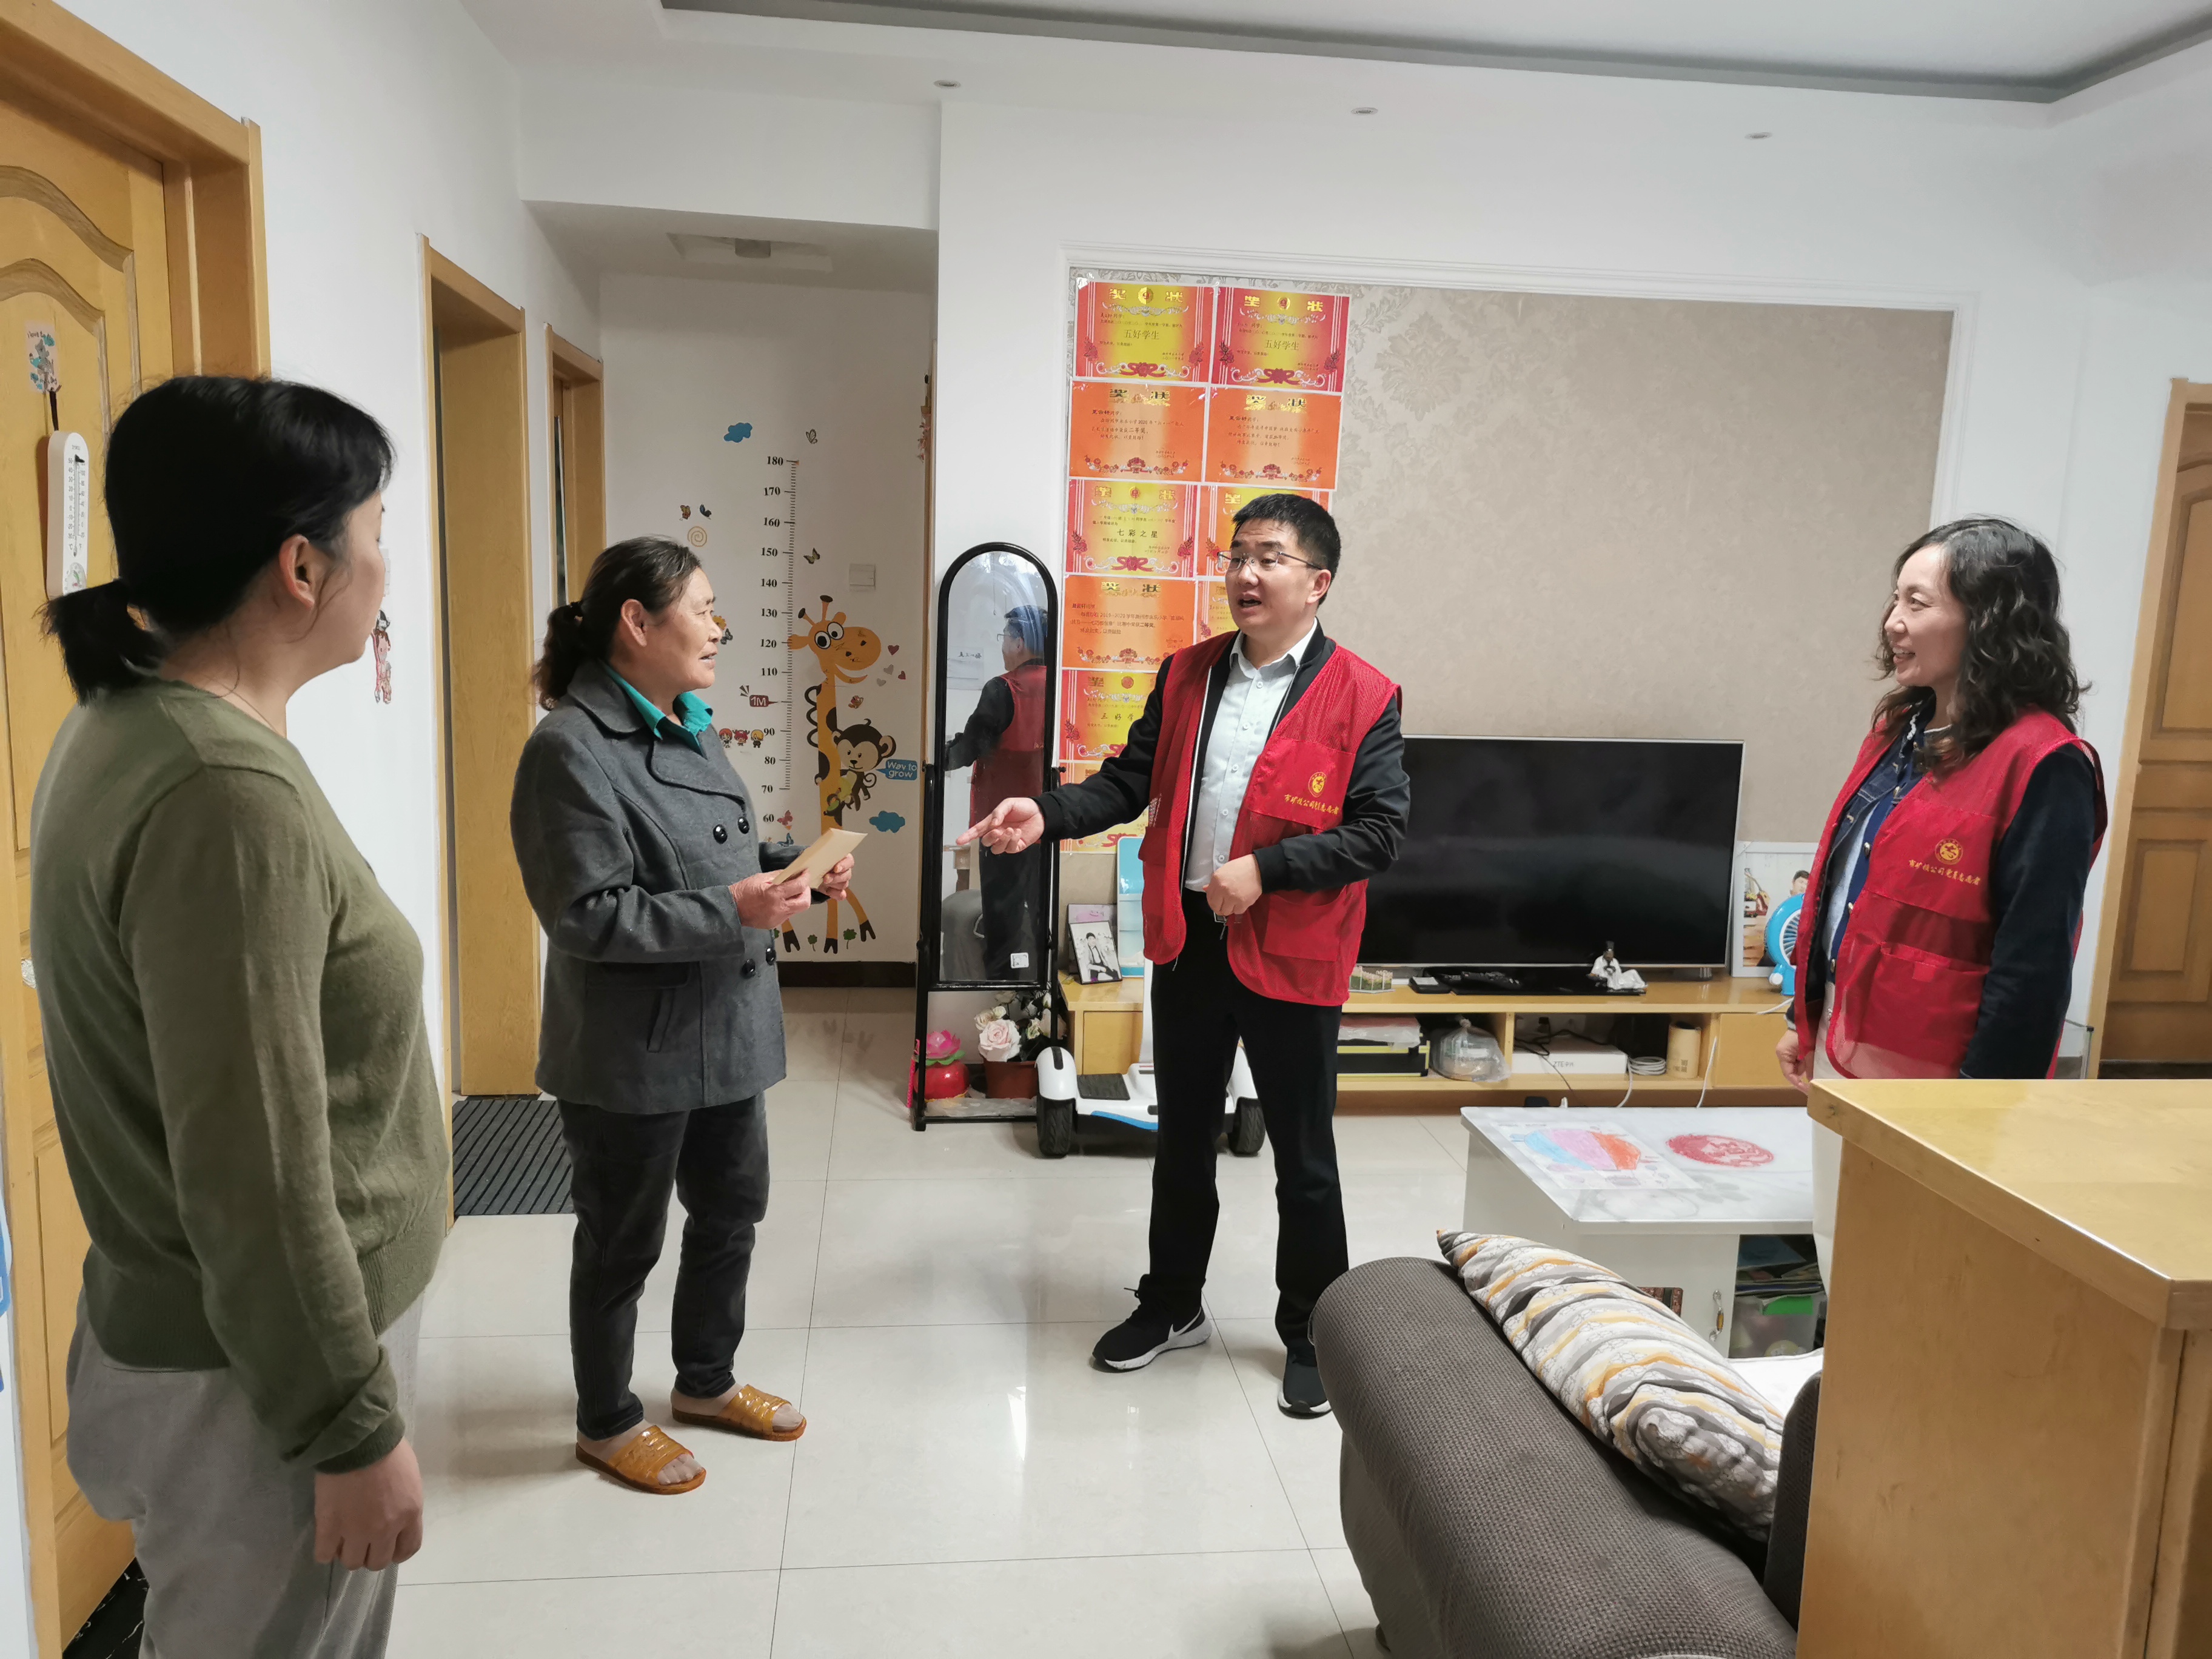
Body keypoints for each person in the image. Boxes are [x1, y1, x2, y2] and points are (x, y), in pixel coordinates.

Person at [33, 376, 445, 1655]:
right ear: (302, 567)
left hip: (229, 1344)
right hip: (260, 1381)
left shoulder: (130, 723)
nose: (387, 566)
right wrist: (346, 1427)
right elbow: (253, 1165)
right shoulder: (221, 791)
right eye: (376, 532)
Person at [963, 495, 1409, 1417]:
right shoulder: (1187, 673)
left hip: (1293, 951)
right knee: (1183, 1139)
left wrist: (1268, 870)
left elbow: (1379, 833)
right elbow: (1130, 782)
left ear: (1317, 583)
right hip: (1191, 941)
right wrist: (1046, 812)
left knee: (1304, 1158)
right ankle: (1172, 1304)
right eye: (1238, 555)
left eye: (1270, 557)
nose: (1246, 573)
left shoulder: (1366, 695)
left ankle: (1313, 1333)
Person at [511, 537, 853, 1496]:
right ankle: (607, 1421)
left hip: (726, 1030)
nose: (717, 627)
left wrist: (791, 869)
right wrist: (736, 909)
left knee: (731, 1212)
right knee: (622, 1241)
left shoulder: (686, 723)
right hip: (632, 1050)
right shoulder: (570, 749)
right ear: (637, 621)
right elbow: (586, 915)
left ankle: (705, 1381)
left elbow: (711, 855)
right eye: (701, 608)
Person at [1780, 517, 2105, 1283]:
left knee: (1914, 1274)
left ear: (1988, 618)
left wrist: (1978, 1110)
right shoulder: (1901, 729)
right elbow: (1846, 887)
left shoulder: (2047, 764)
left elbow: (2034, 964)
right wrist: (1807, 1013)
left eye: (1918, 603)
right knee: (1842, 1247)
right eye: (1895, 600)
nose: (1893, 622)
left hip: (1940, 1081)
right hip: (1848, 1040)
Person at [945, 605, 1051, 976]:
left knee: (1003, 913)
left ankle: (1004, 990)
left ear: (1019, 642)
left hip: (1003, 825)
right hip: (1049, 818)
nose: (1003, 646)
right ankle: (1039, 982)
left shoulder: (1003, 688)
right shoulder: (1059, 684)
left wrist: (937, 754)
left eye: (1005, 637)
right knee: (1042, 909)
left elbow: (968, 749)